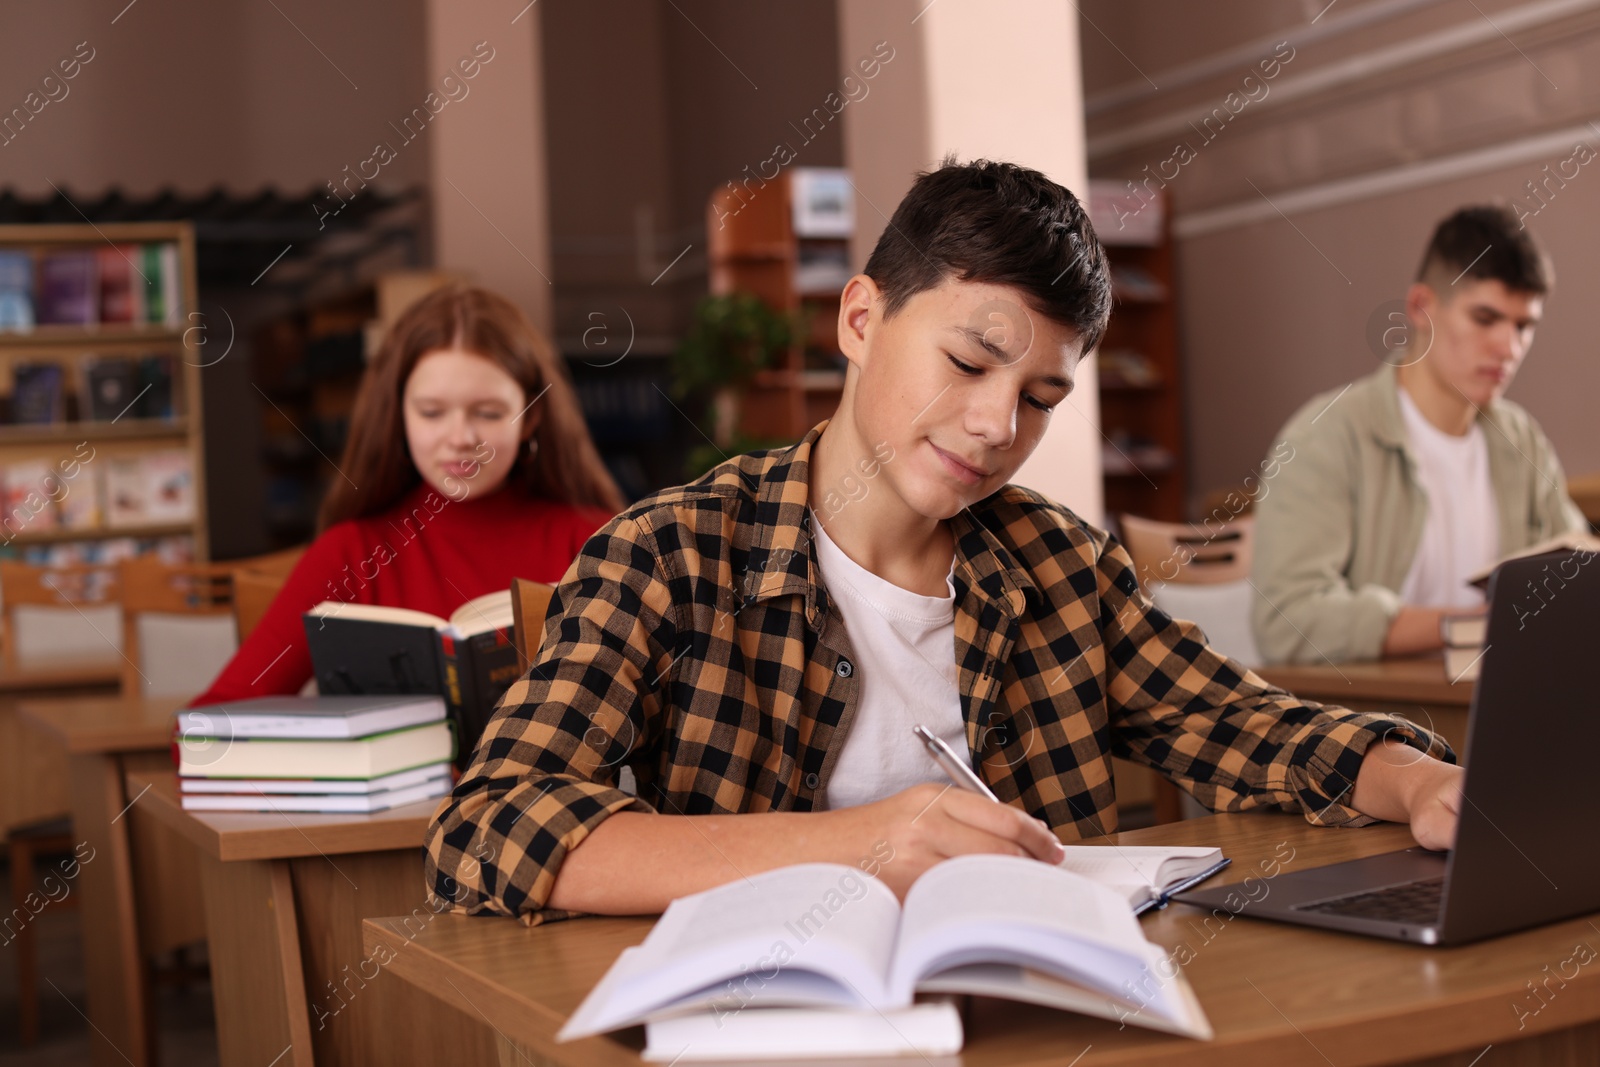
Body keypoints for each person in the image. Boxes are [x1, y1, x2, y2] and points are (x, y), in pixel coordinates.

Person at [425, 159, 1463, 926]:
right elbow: (486, 831)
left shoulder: (1059, 566)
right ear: (861, 318)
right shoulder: (666, 556)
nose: (995, 424)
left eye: (1040, 397)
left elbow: (1243, 726)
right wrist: (858, 846)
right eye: (968, 362)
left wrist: (1416, 780)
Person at [191, 286, 624, 706]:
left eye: (488, 413)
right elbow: (209, 726)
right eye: (431, 412)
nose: (460, 438)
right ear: (398, 415)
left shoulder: (600, 543)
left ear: (531, 418)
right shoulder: (349, 555)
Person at [1251, 205, 1586, 666]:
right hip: (1373, 722)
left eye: (1524, 326)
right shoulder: (1326, 435)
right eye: (1485, 319)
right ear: (1421, 308)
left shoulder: (1520, 438)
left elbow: (1579, 569)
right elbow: (1286, 623)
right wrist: (1476, 625)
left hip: (1500, 707)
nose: (1508, 348)